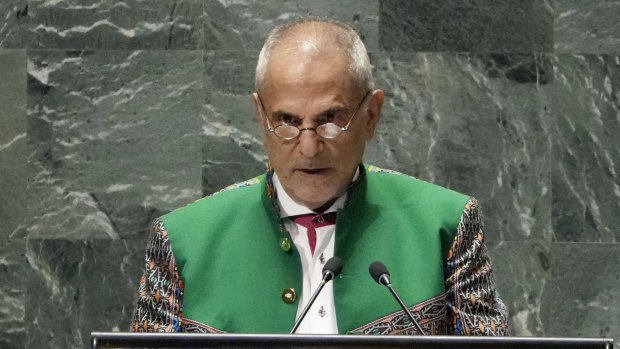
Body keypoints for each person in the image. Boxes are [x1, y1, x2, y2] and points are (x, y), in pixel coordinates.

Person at [131, 18, 508, 336]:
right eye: (287, 122)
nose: (309, 148)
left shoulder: (446, 225)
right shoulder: (181, 242)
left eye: (330, 120)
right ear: (260, 117)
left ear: (371, 115)